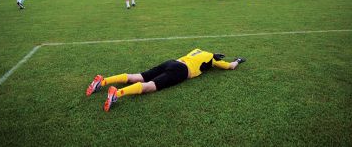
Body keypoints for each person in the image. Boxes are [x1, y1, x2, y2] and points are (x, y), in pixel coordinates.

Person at [86, 48, 247, 111]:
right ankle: (118, 93)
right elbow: (230, 66)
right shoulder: (213, 59)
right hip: (182, 71)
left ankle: (104, 81)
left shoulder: (198, 50)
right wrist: (237, 61)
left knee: (138, 76)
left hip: (173, 62)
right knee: (150, 85)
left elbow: (203, 57)